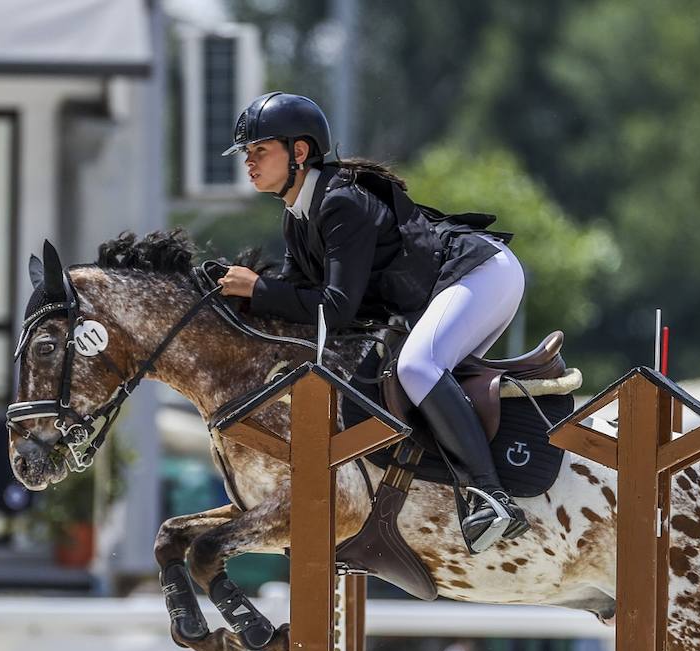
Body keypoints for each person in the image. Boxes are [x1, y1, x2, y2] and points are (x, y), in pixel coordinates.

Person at [215, 91, 529, 553]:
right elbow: (298, 300)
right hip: (443, 289)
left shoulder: (341, 203)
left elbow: (336, 307)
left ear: (298, 152)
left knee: (417, 367)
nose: (249, 162)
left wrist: (257, 289)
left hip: (480, 274)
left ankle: (492, 495)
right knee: (408, 376)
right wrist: (237, 297)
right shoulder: (298, 217)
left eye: (260, 150)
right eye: (247, 153)